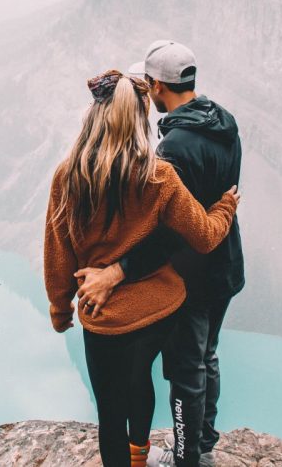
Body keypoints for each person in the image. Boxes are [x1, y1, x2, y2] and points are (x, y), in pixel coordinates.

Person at [44, 69, 240, 467]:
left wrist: (60, 307)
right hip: (158, 310)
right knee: (139, 382)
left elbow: (57, 251)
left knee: (110, 407)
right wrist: (224, 207)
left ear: (95, 117)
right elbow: (202, 236)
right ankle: (140, 455)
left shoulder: (68, 176)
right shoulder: (158, 176)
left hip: (105, 316)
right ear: (139, 120)